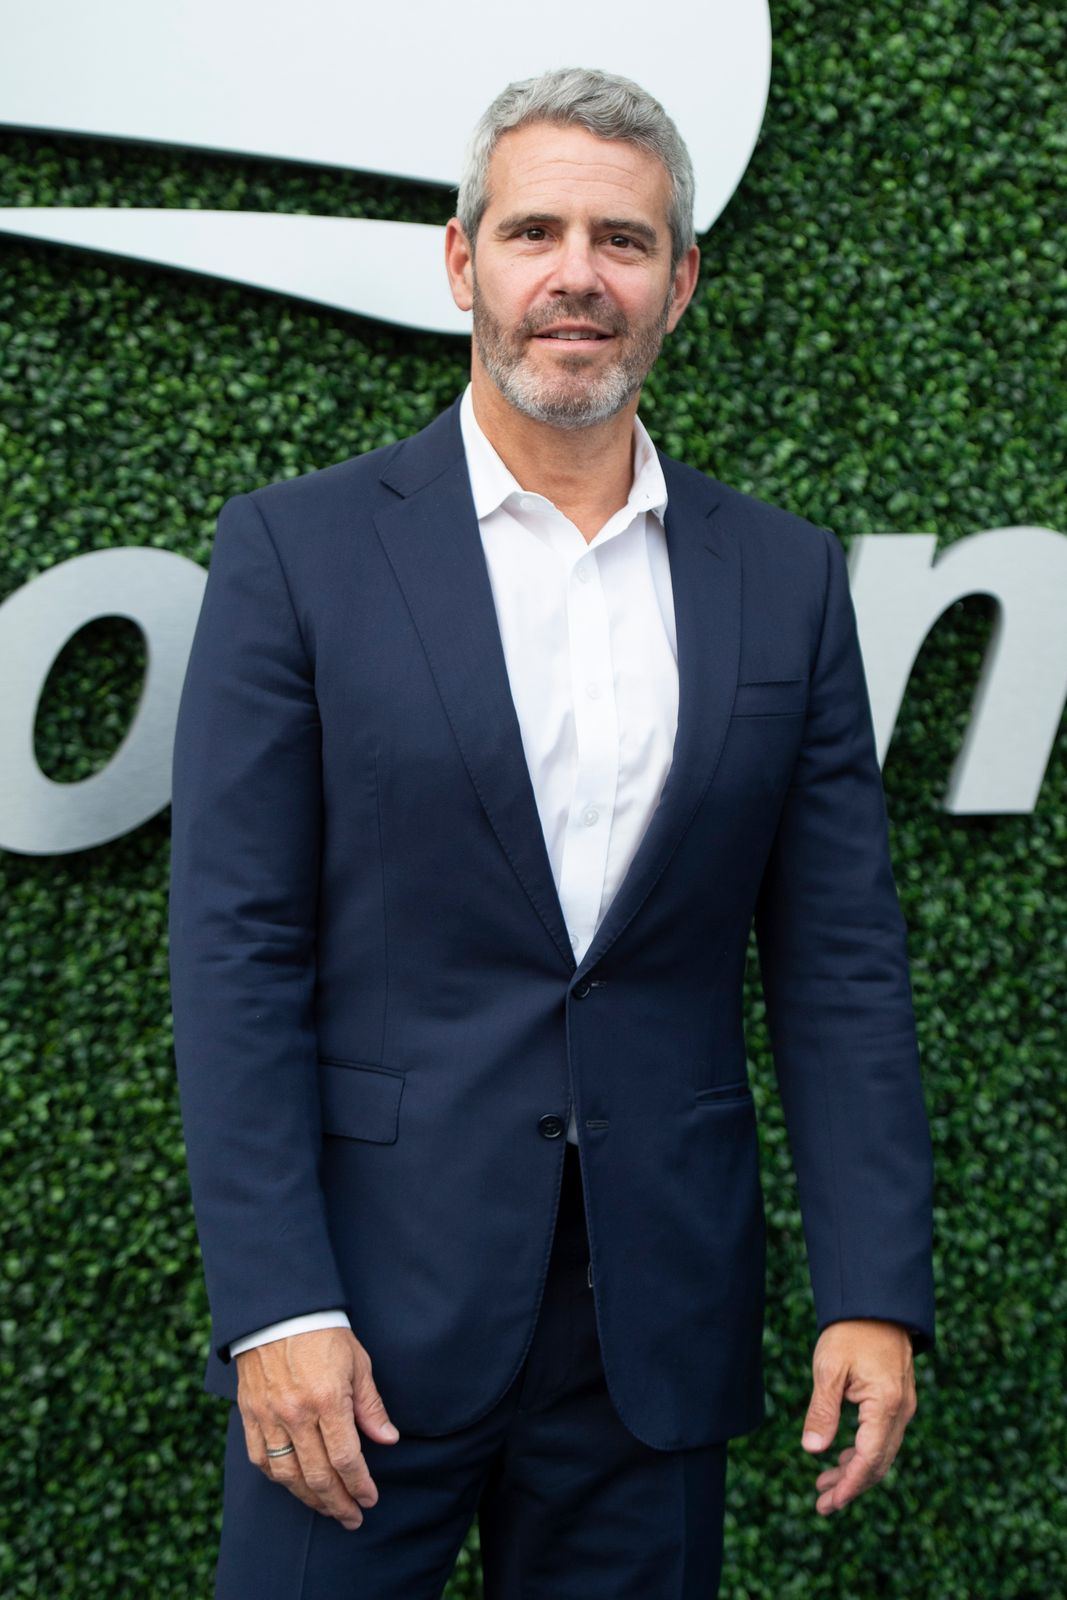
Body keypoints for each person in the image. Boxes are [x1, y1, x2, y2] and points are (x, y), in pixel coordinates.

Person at [168, 65, 935, 1600]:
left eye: (622, 239)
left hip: (650, 1329)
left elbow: (839, 960)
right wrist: (275, 1308)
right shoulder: (296, 552)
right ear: (465, 263)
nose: (575, 275)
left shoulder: (780, 579)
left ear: (681, 281)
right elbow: (236, 950)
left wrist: (873, 1291)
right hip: (359, 1327)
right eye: (533, 233)